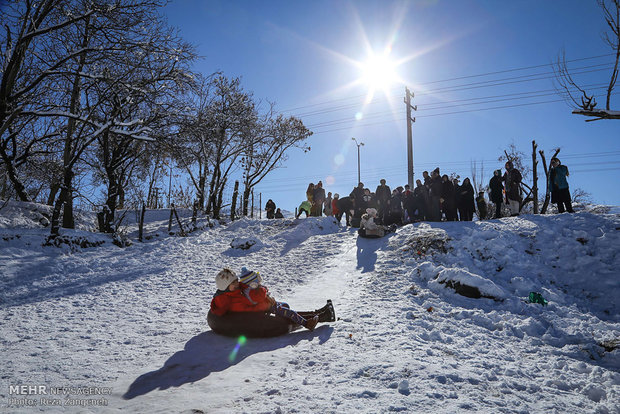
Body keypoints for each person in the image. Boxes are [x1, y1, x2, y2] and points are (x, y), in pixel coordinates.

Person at [210, 268, 318, 331]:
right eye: (233, 283)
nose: (237, 283)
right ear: (225, 287)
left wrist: (266, 295)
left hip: (264, 304)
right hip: (261, 310)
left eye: (237, 280)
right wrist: (265, 302)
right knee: (286, 311)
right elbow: (249, 309)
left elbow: (251, 286)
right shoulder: (231, 300)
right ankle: (307, 323)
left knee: (285, 306)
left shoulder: (238, 289)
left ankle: (307, 315)